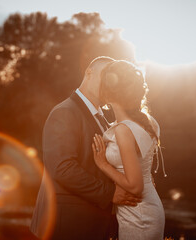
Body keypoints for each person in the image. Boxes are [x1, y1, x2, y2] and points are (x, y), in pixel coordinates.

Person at [30, 56, 141, 240]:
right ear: (88, 73)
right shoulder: (65, 112)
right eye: (104, 77)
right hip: (67, 224)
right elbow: (62, 168)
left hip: (93, 224)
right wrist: (110, 193)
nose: (108, 85)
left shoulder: (104, 120)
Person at [92, 60, 166, 240]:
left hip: (139, 215)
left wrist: (103, 164)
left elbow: (135, 186)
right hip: (149, 207)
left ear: (108, 94)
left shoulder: (123, 131)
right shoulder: (149, 122)